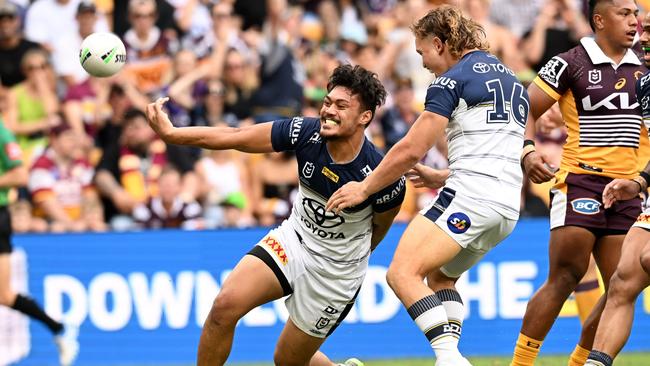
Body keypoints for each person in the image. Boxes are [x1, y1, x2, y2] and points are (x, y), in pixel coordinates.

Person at [146, 64, 405, 366]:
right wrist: (174, 134)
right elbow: (238, 136)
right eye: (327, 102)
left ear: (365, 118)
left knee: (286, 360)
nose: (328, 110)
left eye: (341, 106)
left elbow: (380, 228)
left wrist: (345, 256)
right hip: (293, 241)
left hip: (336, 274)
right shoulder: (306, 133)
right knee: (224, 307)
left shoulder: (381, 175)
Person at [327, 6, 528, 365]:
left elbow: (410, 149)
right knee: (441, 276)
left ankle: (450, 358)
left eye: (422, 53)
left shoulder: (451, 80)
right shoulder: (511, 79)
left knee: (402, 273)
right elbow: (495, 154)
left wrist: (365, 188)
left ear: (439, 43)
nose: (423, 63)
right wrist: (442, 176)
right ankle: (450, 356)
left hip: (472, 197)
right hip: (507, 207)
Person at [511, 0, 646, 365]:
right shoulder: (570, 62)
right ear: (599, 20)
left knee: (621, 286)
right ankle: (520, 364)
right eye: (624, 14)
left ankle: (580, 362)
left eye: (636, 14)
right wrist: (527, 151)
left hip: (632, 190)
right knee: (565, 275)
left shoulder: (645, 67)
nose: (634, 21)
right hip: (581, 181)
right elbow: (526, 108)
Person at [584, 13, 650, 366]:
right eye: (645, 30)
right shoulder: (645, 84)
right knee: (622, 281)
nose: (644, 37)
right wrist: (639, 182)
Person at [0, 119, 78, 365]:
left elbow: (20, 174)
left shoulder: (2, 133)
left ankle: (60, 329)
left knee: (3, 293)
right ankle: (59, 328)